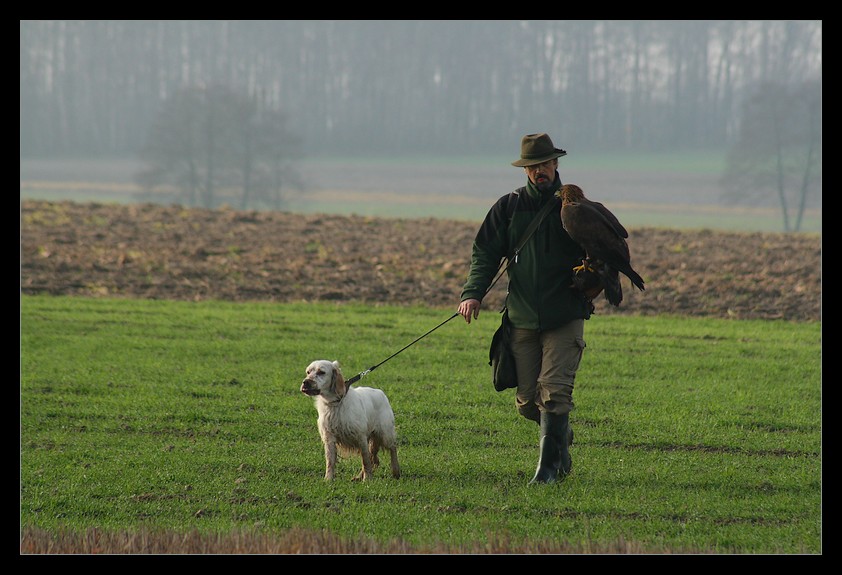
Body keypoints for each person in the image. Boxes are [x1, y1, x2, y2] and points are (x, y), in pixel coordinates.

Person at [457, 133, 594, 485]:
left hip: (565, 315)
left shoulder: (576, 208)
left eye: (544, 165)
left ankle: (547, 472)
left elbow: (603, 253)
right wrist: (473, 293)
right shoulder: (509, 207)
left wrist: (595, 275)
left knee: (555, 392)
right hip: (520, 317)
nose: (539, 172)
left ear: (556, 164)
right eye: (532, 167)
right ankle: (559, 437)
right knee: (527, 401)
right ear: (526, 170)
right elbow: (485, 253)